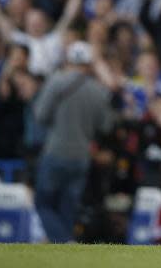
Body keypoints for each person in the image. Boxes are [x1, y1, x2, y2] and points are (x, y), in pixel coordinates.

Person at [32, 41, 114, 243]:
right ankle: (65, 250)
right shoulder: (98, 90)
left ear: (69, 60)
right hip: (82, 156)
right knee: (68, 205)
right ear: (88, 63)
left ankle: (64, 241)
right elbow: (106, 125)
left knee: (43, 203)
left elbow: (40, 115)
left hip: (56, 151)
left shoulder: (56, 82)